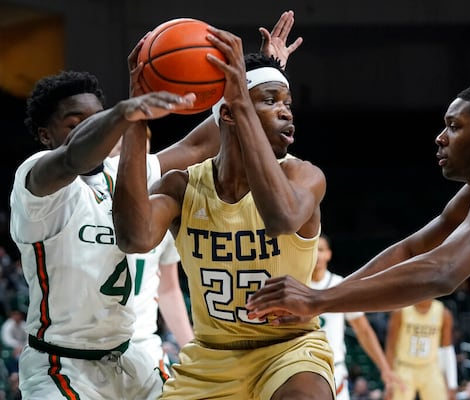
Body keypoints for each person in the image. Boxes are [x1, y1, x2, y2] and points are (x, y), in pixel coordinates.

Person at [10, 11, 302, 399]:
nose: (89, 127)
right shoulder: (36, 182)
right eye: (73, 121)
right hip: (63, 364)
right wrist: (122, 112)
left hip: (138, 358)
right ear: (46, 135)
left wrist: (263, 74)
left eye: (96, 117)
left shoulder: (133, 174)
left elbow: (203, 141)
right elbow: (73, 158)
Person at [245, 81, 470, 400]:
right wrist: (319, 304)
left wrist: (319, 300)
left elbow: (442, 272)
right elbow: (411, 250)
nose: (440, 137)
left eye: (454, 126)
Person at [112, 24, 335, 399]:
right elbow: (133, 238)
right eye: (271, 101)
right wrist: (136, 115)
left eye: (288, 103)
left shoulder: (302, 175)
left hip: (291, 351)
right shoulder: (182, 187)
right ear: (231, 114)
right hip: (212, 358)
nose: (286, 112)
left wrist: (255, 90)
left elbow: (280, 217)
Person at [110, 127, 194, 372]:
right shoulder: (80, 202)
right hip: (88, 345)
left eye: (140, 154)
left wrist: (190, 348)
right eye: (120, 152)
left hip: (142, 344)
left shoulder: (161, 210)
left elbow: (167, 288)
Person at [311, 233, 398, 399]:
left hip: (334, 370)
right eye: (313, 249)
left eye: (320, 250)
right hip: (303, 368)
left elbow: (364, 330)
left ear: (328, 254)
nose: (316, 255)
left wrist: (385, 368)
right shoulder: (297, 285)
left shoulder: (340, 286)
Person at [385, 298, 458, 400]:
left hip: (430, 367)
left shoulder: (443, 313)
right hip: (404, 367)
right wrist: (389, 381)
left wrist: (452, 384)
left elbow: (447, 349)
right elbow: (390, 346)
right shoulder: (400, 311)